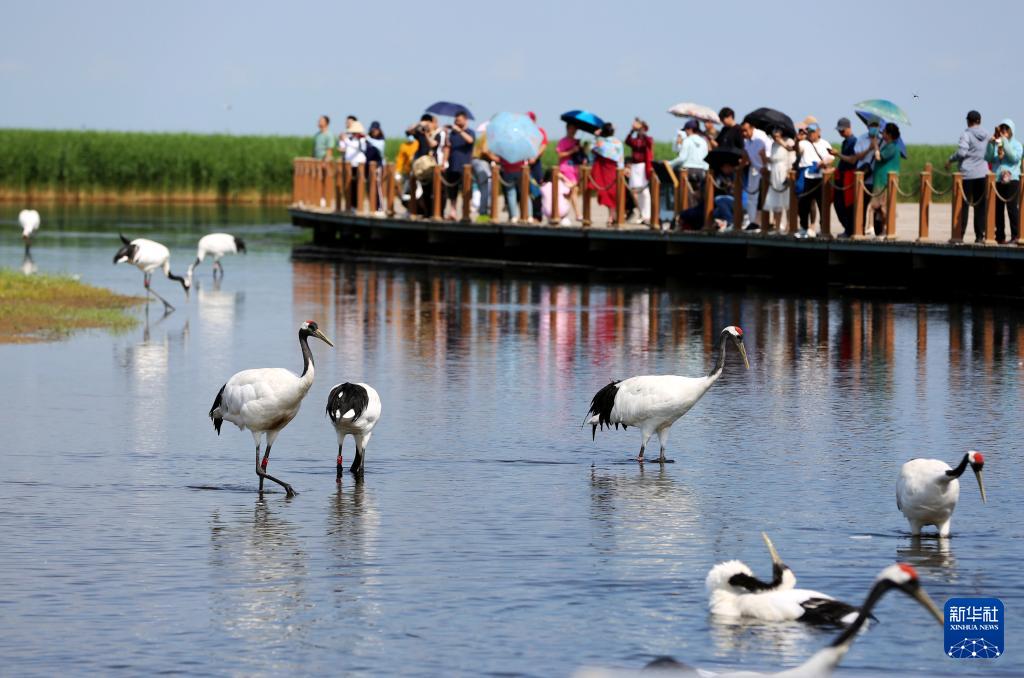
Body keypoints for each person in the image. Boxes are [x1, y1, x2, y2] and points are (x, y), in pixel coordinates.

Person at [946, 110, 991, 243]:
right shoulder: (987, 135)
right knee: (980, 206)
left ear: (968, 121)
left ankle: (959, 235)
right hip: (983, 174)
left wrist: (950, 159)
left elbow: (961, 152)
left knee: (963, 206)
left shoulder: (966, 134)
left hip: (966, 175)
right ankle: (979, 236)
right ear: (979, 121)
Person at [986, 119, 1023, 244]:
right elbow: (988, 158)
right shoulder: (996, 144)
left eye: (1006, 129)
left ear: (1011, 131)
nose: (1003, 131)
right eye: (1002, 129)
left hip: (1012, 180)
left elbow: (1013, 157)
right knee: (998, 210)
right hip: (997, 180)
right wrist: (991, 144)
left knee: (1012, 208)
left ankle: (1016, 235)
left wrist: (1005, 141)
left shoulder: (1017, 144)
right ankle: (1000, 236)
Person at [795, 123, 834, 238]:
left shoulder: (825, 143)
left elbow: (831, 157)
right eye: (809, 132)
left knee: (822, 204)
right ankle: (804, 227)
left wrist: (824, 162)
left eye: (813, 132)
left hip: (821, 178)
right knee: (803, 204)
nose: (811, 134)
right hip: (807, 177)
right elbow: (797, 150)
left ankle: (824, 229)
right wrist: (797, 141)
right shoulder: (803, 143)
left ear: (818, 132)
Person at [864, 123, 902, 238]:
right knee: (877, 208)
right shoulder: (887, 145)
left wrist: (875, 145)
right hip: (880, 181)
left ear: (889, 134)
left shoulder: (892, 147)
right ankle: (879, 229)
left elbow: (879, 156)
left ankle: (886, 230)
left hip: (885, 182)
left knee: (883, 207)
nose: (882, 134)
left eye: (884, 132)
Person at [443, 111, 476, 219]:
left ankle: (465, 211)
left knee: (466, 190)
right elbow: (447, 148)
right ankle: (453, 211)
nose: (456, 122)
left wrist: (459, 131)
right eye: (456, 120)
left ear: (465, 120)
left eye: (459, 120)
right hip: (453, 166)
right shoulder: (452, 134)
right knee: (452, 191)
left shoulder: (470, 132)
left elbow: (470, 141)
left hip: (465, 167)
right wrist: (444, 162)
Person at [591, 122, 624, 226]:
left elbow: (592, 149)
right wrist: (621, 170)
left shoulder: (600, 142)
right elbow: (620, 158)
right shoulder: (618, 142)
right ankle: (612, 215)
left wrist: (596, 136)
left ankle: (612, 216)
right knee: (612, 193)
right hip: (615, 169)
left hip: (604, 170)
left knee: (606, 193)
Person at [831, 117, 859, 237]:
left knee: (848, 205)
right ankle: (847, 229)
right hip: (841, 177)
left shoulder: (854, 142)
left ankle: (850, 230)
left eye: (842, 130)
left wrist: (837, 154)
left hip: (849, 177)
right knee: (838, 204)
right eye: (839, 130)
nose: (840, 132)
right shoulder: (845, 142)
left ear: (849, 128)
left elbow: (852, 160)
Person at [740, 120, 770, 231]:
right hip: (754, 169)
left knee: (763, 198)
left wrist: (765, 166)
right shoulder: (746, 140)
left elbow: (767, 154)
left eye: (746, 131)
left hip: (765, 170)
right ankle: (753, 222)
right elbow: (747, 155)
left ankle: (762, 223)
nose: (744, 133)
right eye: (742, 131)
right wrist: (740, 167)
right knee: (751, 198)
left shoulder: (760, 137)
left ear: (752, 128)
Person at [763, 128, 793, 232]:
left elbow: (791, 153)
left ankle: (789, 224)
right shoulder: (773, 145)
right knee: (776, 200)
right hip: (775, 172)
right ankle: (777, 225)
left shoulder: (789, 141)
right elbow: (772, 159)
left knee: (787, 200)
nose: (775, 136)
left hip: (784, 170)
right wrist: (765, 158)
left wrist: (782, 142)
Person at [625, 118, 654, 223]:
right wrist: (632, 130)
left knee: (645, 192)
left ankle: (647, 215)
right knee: (635, 192)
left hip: (643, 166)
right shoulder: (635, 140)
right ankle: (641, 214)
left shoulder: (647, 139)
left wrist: (641, 131)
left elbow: (649, 143)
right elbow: (627, 141)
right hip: (635, 166)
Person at [670, 119, 709, 196]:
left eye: (686, 130)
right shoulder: (704, 141)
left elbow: (682, 158)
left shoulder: (687, 141)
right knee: (699, 195)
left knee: (686, 196)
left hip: (687, 171)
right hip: (701, 171)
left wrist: (670, 164)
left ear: (690, 129)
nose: (685, 132)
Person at [556, 122, 584, 221]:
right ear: (567, 128)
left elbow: (581, 157)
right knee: (572, 192)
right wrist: (572, 151)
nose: (574, 131)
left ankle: (563, 213)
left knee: (571, 193)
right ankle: (577, 214)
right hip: (565, 170)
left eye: (575, 129)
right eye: (572, 128)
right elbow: (559, 155)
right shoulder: (562, 141)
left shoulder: (577, 141)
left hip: (575, 170)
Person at [339, 120, 368, 210]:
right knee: (350, 186)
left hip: (359, 166)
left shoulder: (362, 139)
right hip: (350, 165)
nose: (354, 133)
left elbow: (356, 147)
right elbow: (343, 146)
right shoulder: (351, 138)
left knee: (357, 186)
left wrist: (346, 140)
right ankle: (351, 205)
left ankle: (357, 206)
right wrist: (342, 139)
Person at [527, 112, 548, 220]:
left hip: (536, 164)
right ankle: (527, 215)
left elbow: (544, 145)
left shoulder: (540, 131)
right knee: (526, 190)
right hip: (524, 163)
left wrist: (534, 157)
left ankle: (538, 215)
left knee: (538, 189)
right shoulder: (522, 132)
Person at [472, 131, 497, 221]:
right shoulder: (490, 134)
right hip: (480, 162)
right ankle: (483, 213)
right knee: (487, 187)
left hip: (479, 162)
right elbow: (484, 150)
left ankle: (484, 212)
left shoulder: (486, 134)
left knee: (485, 187)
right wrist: (496, 159)